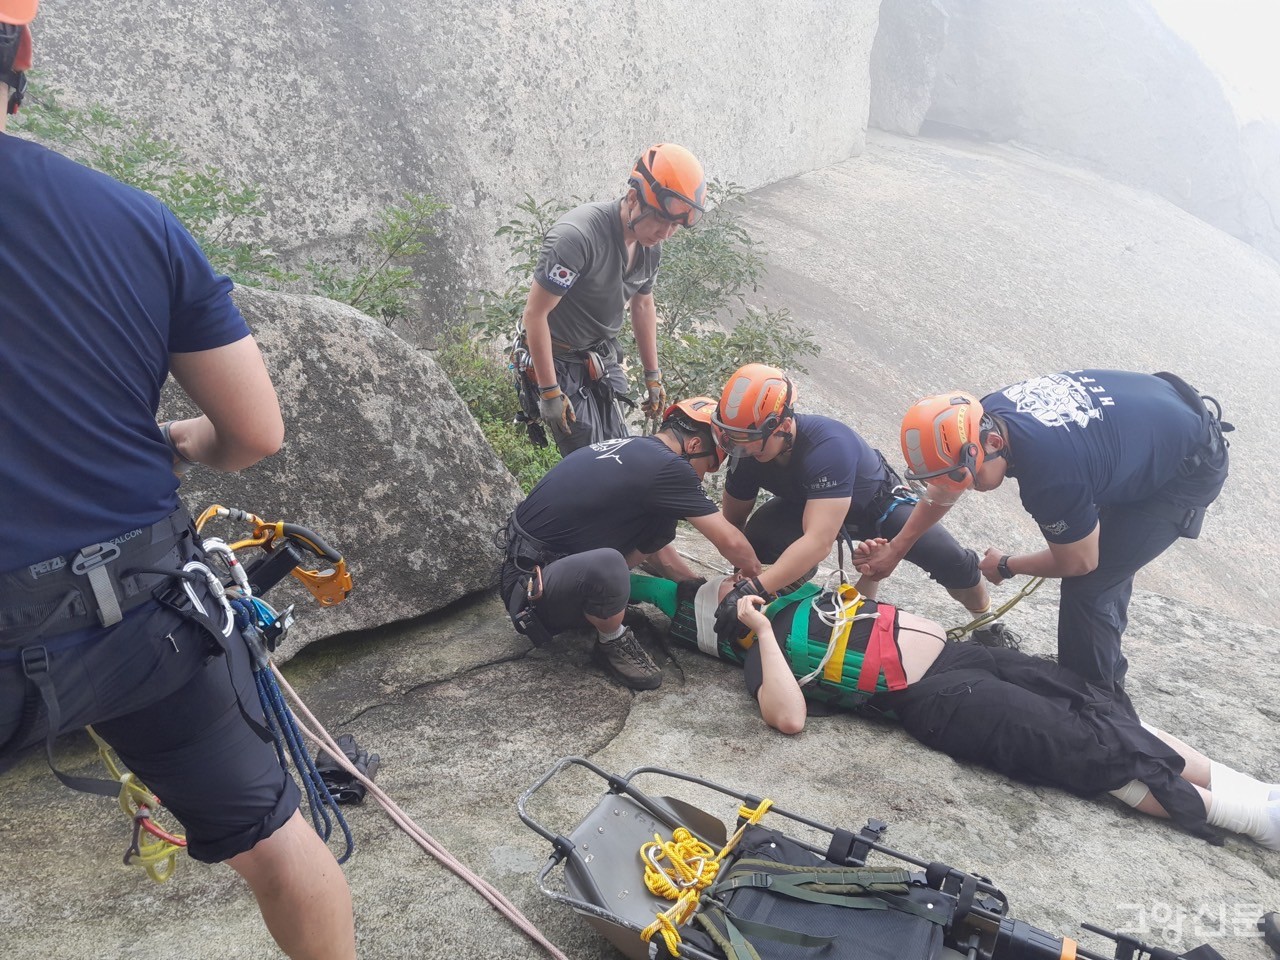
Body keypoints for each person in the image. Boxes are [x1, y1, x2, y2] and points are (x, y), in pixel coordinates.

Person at [0, 4, 355, 956]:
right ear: (21, 54)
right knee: (277, 844)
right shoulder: (131, 218)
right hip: (142, 620)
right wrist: (180, 444)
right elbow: (254, 432)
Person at [626, 567, 1280, 851]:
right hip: (942, 700)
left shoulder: (791, 595)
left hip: (965, 657)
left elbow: (857, 617)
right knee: (1087, 750)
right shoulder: (760, 658)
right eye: (728, 596)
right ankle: (1254, 818)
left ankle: (1254, 791)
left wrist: (870, 574)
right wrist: (760, 633)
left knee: (1092, 703)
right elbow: (789, 717)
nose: (738, 586)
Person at [858, 370, 1230, 697]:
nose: (965, 486)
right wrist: (897, 549)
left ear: (993, 444)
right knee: (1109, 558)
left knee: (1093, 584)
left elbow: (1080, 561)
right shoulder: (982, 417)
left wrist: (1006, 565)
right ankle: (1100, 670)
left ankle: (1095, 698)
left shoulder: (1050, 475)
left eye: (965, 476)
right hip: (1156, 420)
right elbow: (945, 488)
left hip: (1185, 469)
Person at [709, 363, 1018, 648]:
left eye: (746, 437)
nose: (738, 446)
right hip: (807, 505)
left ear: (783, 425)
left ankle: (986, 624)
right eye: (731, 437)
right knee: (759, 539)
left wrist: (754, 588)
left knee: (949, 558)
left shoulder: (828, 446)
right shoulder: (746, 454)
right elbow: (734, 524)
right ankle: (789, 589)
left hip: (876, 505)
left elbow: (818, 542)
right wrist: (745, 573)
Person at [501, 397, 760, 690]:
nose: (701, 478)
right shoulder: (670, 466)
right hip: (533, 592)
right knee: (610, 565)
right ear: (694, 445)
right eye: (708, 466)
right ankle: (611, 640)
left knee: (662, 524)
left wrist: (692, 584)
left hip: (535, 571)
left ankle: (604, 599)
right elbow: (731, 542)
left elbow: (657, 547)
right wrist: (757, 582)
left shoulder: (634, 449)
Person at [517, 142, 706, 454]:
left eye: (674, 225)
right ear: (633, 198)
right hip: (558, 358)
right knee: (590, 460)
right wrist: (550, 391)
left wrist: (653, 375)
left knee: (619, 449)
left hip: (599, 356)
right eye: (660, 219)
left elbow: (643, 304)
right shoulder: (576, 238)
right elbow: (535, 315)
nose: (665, 233)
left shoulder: (650, 247)